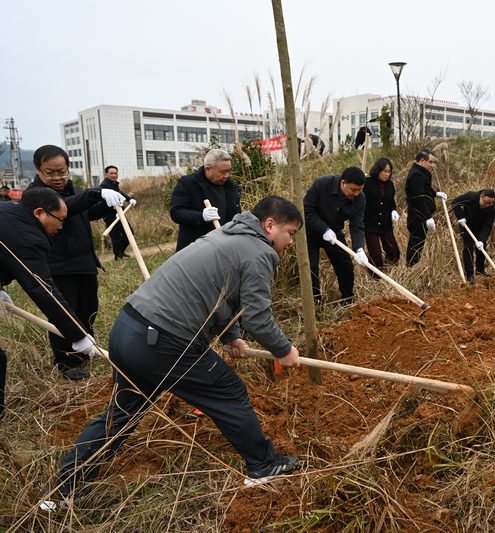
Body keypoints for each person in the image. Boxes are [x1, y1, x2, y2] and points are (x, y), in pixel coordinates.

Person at [40, 196, 304, 511]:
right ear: (270, 225)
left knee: (121, 415)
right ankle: (263, 465)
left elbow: (222, 291)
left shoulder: (227, 235)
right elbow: (258, 318)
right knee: (229, 391)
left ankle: (61, 492)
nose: (291, 242)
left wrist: (231, 336)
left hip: (129, 328)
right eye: (290, 233)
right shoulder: (260, 252)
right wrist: (284, 350)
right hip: (163, 340)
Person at [26, 145, 126, 380]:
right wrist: (95, 193)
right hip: (59, 265)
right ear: (38, 170)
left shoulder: (72, 189)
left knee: (88, 308)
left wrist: (108, 201)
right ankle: (66, 361)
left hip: (84, 262)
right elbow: (67, 207)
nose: (57, 177)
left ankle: (85, 350)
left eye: (62, 171)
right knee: (64, 313)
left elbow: (86, 212)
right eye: (50, 172)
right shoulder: (35, 195)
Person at [1, 188, 98, 420]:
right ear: (39, 213)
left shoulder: (7, 213)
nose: (62, 226)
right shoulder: (28, 239)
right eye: (60, 220)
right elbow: (43, 290)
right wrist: (78, 335)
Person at [303, 167, 368, 303]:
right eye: (353, 190)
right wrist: (323, 228)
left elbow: (357, 225)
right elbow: (306, 210)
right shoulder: (322, 184)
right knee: (310, 268)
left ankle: (347, 300)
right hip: (310, 232)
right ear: (343, 183)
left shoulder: (360, 199)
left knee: (345, 266)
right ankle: (315, 303)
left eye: (360, 190)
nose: (356, 193)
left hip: (334, 234)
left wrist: (359, 248)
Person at [170, 148, 241, 252]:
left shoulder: (231, 187)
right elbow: (176, 212)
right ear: (208, 169)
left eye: (228, 171)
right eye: (222, 172)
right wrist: (201, 216)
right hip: (195, 248)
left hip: (223, 246)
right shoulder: (188, 184)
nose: (227, 175)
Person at [405, 149, 447, 266]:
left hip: (421, 214)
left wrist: (435, 194)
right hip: (418, 215)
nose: (432, 165)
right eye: (430, 162)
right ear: (422, 161)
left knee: (419, 240)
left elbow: (425, 189)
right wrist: (427, 217)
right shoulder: (416, 175)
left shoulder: (422, 172)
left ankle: (412, 264)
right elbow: (418, 197)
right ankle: (411, 266)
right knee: (416, 241)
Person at [363, 158, 401, 269]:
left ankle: (390, 271)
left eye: (389, 172)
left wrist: (394, 210)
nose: (387, 174)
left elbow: (391, 201)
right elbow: (358, 198)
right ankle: (375, 275)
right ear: (377, 170)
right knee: (376, 258)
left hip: (385, 224)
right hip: (370, 224)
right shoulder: (367, 183)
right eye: (384, 171)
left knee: (394, 252)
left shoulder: (390, 185)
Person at [452, 189, 495, 282]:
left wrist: (482, 240)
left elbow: (488, 226)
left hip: (480, 229)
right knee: (468, 248)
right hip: (466, 225)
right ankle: (469, 274)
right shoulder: (471, 196)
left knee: (481, 248)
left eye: (490, 204)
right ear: (481, 197)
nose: (487, 205)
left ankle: (480, 270)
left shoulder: (492, 209)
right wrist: (460, 217)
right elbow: (455, 202)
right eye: (485, 203)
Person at [100, 165, 136, 260]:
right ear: (106, 174)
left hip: (120, 214)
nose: (114, 175)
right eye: (111, 173)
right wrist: (113, 209)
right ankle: (118, 256)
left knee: (129, 233)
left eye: (115, 173)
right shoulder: (104, 186)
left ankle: (121, 252)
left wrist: (129, 199)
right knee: (116, 236)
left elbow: (119, 193)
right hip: (110, 215)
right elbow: (103, 200)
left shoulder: (114, 184)